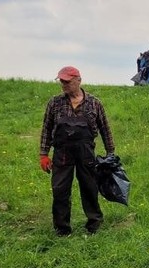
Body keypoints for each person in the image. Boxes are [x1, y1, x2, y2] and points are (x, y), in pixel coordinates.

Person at [40, 66, 116, 236]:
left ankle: (94, 223)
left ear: (78, 80)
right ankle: (62, 229)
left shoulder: (94, 103)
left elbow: (105, 129)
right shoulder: (55, 103)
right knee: (60, 190)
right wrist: (43, 154)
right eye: (61, 81)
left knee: (90, 188)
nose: (63, 84)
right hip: (62, 153)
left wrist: (111, 153)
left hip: (86, 152)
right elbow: (47, 128)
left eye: (67, 81)